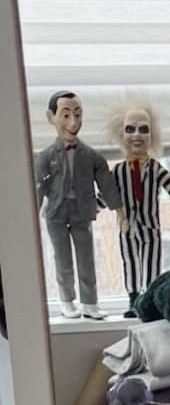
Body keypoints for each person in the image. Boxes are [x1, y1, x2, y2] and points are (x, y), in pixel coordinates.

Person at [105, 98, 170, 314]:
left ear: (152, 136)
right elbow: (105, 196)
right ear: (121, 135)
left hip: (150, 228)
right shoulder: (117, 172)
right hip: (127, 229)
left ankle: (150, 300)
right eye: (130, 129)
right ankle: (134, 300)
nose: (136, 135)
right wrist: (85, 209)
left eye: (143, 130)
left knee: (151, 264)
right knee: (131, 264)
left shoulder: (155, 169)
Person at [34, 89, 122, 319]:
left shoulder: (92, 155)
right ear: (51, 117)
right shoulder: (44, 157)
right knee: (62, 258)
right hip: (55, 211)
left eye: (78, 114)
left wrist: (119, 209)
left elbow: (106, 183)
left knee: (86, 256)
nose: (73, 122)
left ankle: (90, 302)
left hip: (82, 211)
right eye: (65, 115)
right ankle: (67, 300)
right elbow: (37, 187)